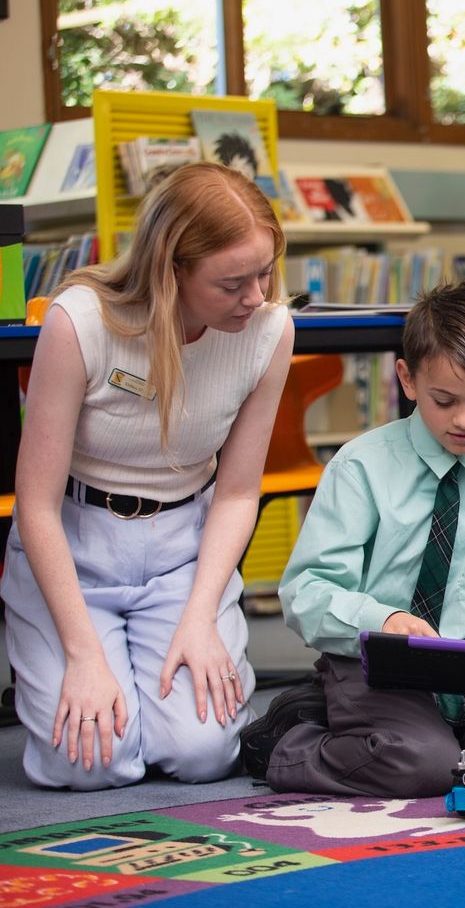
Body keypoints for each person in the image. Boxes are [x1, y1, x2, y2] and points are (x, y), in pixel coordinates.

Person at [0, 162, 294, 790]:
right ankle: (95, 667)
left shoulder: (270, 330)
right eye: (232, 283)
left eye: (264, 273)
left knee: (205, 754)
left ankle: (147, 685)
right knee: (91, 761)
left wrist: (200, 614)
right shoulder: (78, 321)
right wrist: (81, 653)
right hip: (74, 547)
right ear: (172, 270)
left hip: (180, 553)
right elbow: (37, 504)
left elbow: (238, 490)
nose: (256, 297)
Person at [240, 281, 465, 797]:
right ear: (407, 378)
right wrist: (385, 620)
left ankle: (422, 734)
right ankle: (291, 742)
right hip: (371, 664)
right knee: (424, 764)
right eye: (445, 400)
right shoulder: (361, 466)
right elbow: (306, 592)